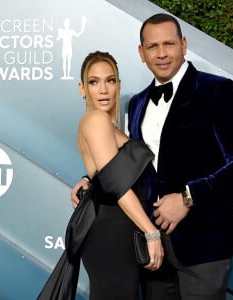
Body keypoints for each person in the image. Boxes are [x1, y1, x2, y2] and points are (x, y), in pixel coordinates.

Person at [72, 14, 233, 300]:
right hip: (151, 250)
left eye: (169, 44)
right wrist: (93, 179)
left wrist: (189, 197)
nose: (161, 53)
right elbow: (135, 167)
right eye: (152, 46)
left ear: (184, 45)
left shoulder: (218, 91)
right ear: (141, 53)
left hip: (202, 247)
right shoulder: (137, 103)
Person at [75, 50, 164, 300]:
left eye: (110, 80)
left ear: (118, 85)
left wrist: (87, 180)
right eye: (94, 82)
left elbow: (104, 174)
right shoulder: (96, 120)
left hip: (120, 230)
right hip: (111, 235)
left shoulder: (106, 124)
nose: (103, 89)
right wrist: (151, 232)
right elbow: (116, 183)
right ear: (83, 89)